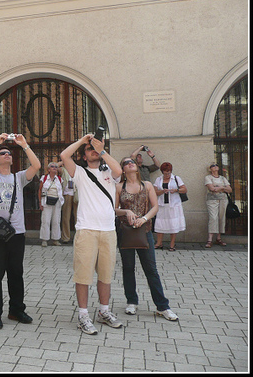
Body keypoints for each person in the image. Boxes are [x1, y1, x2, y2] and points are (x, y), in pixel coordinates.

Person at [60, 134, 123, 335]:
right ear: (84, 156)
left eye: (94, 149)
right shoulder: (79, 172)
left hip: (108, 230)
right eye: (89, 150)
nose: (93, 150)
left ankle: (104, 311)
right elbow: (64, 155)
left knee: (105, 275)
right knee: (83, 275)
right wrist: (81, 141)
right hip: (86, 230)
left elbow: (119, 170)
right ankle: (83, 315)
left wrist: (101, 149)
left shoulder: (109, 172)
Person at [0, 133, 40, 330]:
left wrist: (24, 145)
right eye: (2, 153)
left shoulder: (19, 177)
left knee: (16, 273)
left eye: (8, 153)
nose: (7, 155)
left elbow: (36, 166)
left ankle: (16, 310)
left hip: (17, 233)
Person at [115, 157, 178, 321]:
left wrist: (144, 218)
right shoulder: (119, 186)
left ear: (136, 167)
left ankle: (163, 306)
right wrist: (126, 212)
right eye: (126, 163)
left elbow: (155, 206)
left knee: (151, 269)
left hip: (145, 231)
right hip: (126, 231)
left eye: (132, 162)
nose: (130, 163)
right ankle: (131, 301)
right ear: (123, 169)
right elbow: (114, 209)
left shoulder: (147, 185)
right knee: (128, 268)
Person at [153, 162, 187, 251]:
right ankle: (159, 243)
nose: (167, 175)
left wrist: (176, 190)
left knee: (173, 224)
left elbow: (184, 189)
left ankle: (172, 244)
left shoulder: (176, 178)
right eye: (165, 173)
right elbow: (155, 192)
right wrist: (162, 191)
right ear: (162, 172)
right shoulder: (158, 179)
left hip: (173, 205)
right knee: (160, 223)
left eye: (169, 173)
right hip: (162, 205)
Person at [204, 162, 232, 248]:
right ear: (210, 169)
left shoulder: (223, 178)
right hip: (212, 200)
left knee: (221, 217)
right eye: (213, 166)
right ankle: (210, 239)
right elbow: (211, 188)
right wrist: (223, 188)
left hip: (223, 200)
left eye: (216, 165)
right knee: (213, 217)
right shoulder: (208, 177)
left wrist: (219, 187)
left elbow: (230, 189)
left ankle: (218, 238)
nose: (215, 167)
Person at [38, 162, 64, 247]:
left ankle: (55, 239)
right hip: (46, 201)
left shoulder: (59, 179)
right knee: (46, 220)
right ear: (49, 169)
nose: (54, 168)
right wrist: (40, 202)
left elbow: (61, 190)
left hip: (57, 201)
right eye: (52, 167)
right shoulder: (44, 178)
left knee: (56, 221)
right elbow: (40, 190)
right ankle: (44, 240)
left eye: (56, 167)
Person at [58, 161, 78, 243]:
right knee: (66, 217)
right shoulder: (63, 170)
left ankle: (78, 237)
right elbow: (54, 165)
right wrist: (63, 161)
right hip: (67, 194)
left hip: (76, 194)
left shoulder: (77, 170)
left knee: (78, 217)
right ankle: (66, 237)